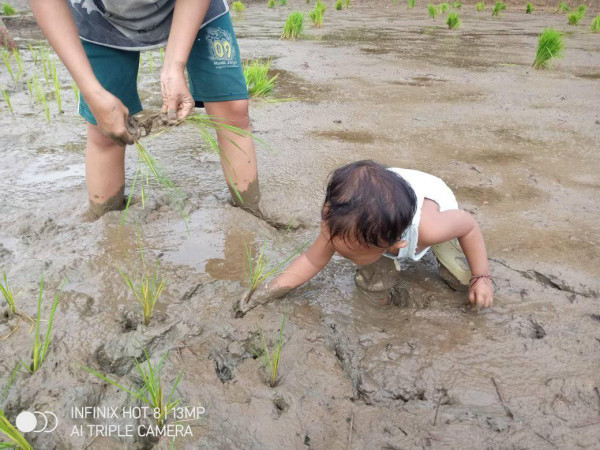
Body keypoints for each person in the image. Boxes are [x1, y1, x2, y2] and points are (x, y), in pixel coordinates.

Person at [29, 0, 259, 218]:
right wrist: (92, 92)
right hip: (100, 19)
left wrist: (174, 67)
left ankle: (250, 214)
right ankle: (106, 222)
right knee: (105, 131)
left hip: (196, 11)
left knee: (232, 111)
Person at [236, 160, 494, 316]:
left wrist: (481, 276)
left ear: (394, 245)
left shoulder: (431, 229)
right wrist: (268, 292)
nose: (337, 253)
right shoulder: (338, 223)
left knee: (459, 279)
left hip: (435, 202)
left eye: (350, 254)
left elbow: (469, 226)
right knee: (374, 279)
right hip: (383, 204)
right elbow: (311, 261)